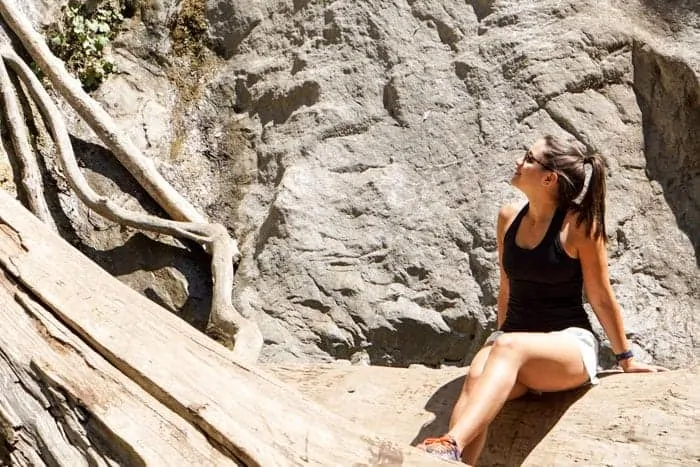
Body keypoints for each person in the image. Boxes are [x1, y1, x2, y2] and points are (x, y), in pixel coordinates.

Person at [417, 135, 667, 464]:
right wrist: (496, 340)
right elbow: (507, 287)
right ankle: (452, 461)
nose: (519, 162)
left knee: (509, 348)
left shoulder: (578, 225)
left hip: (566, 346)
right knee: (478, 376)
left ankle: (450, 443)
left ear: (549, 178)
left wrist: (626, 358)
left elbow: (600, 295)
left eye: (529, 158)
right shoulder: (508, 217)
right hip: (514, 345)